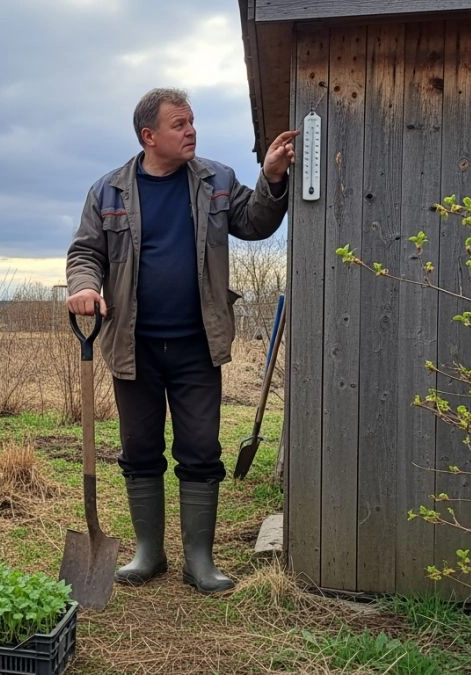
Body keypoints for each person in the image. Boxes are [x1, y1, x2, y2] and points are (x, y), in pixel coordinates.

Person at [65, 88, 296, 594]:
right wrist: (83, 286)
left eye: (192, 122)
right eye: (179, 124)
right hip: (133, 346)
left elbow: (254, 222)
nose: (191, 131)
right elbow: (86, 252)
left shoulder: (217, 181)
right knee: (139, 447)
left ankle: (199, 559)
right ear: (149, 136)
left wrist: (273, 176)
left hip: (196, 345)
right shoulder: (108, 193)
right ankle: (149, 553)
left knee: (199, 448)